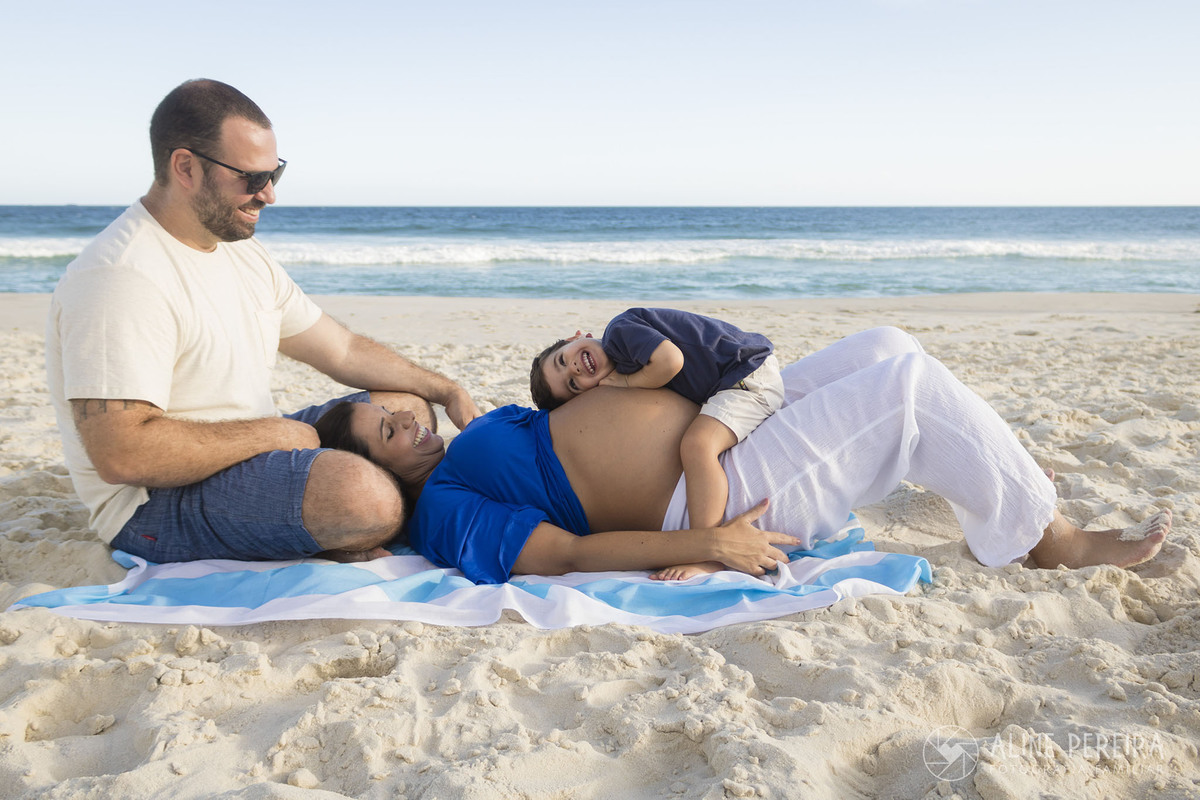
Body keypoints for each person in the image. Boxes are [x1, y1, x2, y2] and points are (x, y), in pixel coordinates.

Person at [318, 327, 1171, 584]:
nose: (410, 426)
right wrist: (705, 542)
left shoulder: (483, 431)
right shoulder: (444, 512)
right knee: (905, 386)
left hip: (726, 432)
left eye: (400, 413)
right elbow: (566, 555)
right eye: (388, 435)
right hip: (705, 499)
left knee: (885, 344)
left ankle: (993, 470)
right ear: (375, 473)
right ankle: (1046, 536)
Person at [44, 78, 481, 565]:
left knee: (408, 406)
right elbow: (122, 455)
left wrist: (447, 390)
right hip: (154, 503)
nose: (268, 195)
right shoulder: (121, 276)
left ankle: (360, 524)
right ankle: (372, 522)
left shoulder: (241, 252)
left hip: (254, 446)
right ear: (185, 167)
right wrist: (276, 435)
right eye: (251, 179)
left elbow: (342, 350)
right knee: (364, 497)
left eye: (276, 174)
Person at [529, 308, 785, 579]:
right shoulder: (628, 354)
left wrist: (628, 382)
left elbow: (670, 360)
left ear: (575, 337)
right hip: (741, 375)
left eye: (561, 360)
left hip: (746, 377)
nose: (575, 369)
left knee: (698, 446)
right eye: (573, 384)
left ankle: (708, 553)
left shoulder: (619, 333)